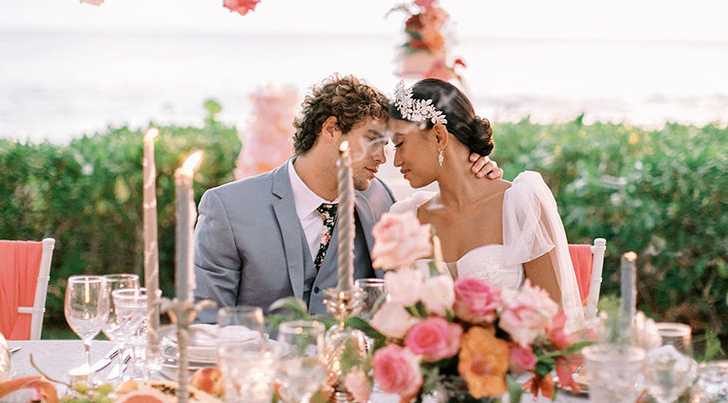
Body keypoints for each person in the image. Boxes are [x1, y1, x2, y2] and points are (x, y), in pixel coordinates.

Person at [193, 74, 501, 318]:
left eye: (389, 145)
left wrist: (473, 170)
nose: (383, 159)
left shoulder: (381, 202)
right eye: (372, 140)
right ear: (330, 129)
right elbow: (206, 323)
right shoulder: (229, 208)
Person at [387, 78, 585, 328]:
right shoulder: (407, 219)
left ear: (438, 135)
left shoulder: (519, 204)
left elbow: (554, 318)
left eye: (400, 143)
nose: (396, 160)